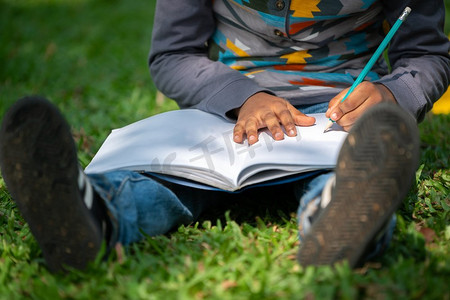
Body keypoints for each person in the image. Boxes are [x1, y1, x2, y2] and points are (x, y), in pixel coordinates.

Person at [0, 0, 448, 272]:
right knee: (170, 174)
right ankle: (93, 216)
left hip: (339, 111)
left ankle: (337, 221)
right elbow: (173, 54)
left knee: (352, 164)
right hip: (226, 109)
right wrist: (243, 97)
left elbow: (427, 54)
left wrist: (393, 93)